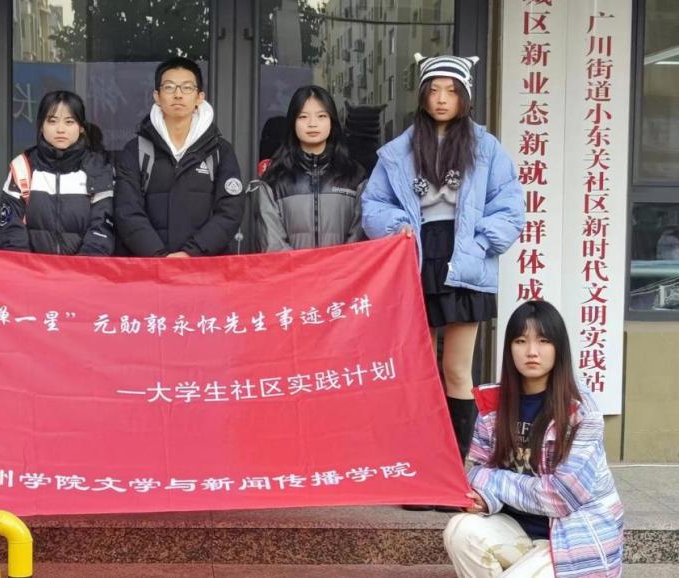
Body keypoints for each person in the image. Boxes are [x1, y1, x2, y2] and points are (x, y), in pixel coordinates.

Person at [361, 53, 524, 463]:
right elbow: (373, 205)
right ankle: (416, 461)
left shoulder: (486, 148)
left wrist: (481, 244)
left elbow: (509, 208)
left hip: (464, 256)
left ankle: (454, 465)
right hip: (417, 255)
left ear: (465, 97)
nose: (441, 98)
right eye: (433, 90)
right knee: (415, 368)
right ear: (421, 95)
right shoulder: (398, 150)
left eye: (451, 91)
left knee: (456, 369)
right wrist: (397, 225)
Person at [444, 300, 624, 577]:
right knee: (460, 531)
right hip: (516, 529)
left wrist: (493, 481)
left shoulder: (581, 412)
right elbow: (479, 472)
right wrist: (484, 499)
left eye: (543, 341)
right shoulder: (494, 406)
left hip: (574, 536)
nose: (531, 352)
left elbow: (560, 497)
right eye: (520, 341)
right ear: (509, 348)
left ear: (558, 348)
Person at [114, 56, 244, 257]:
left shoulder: (220, 150)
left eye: (187, 88)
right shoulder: (136, 150)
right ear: (157, 96)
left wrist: (191, 253)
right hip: (149, 267)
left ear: (199, 97)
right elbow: (127, 211)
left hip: (205, 267)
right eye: (169, 87)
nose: (178, 94)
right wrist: (159, 256)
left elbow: (230, 212)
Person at [251, 85, 367, 251]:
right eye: (303, 117)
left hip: (345, 268)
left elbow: (361, 239)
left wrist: (339, 266)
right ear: (293, 123)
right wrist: (304, 268)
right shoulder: (274, 179)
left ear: (332, 121)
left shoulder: (354, 176)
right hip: (290, 269)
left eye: (321, 116)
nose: (312, 124)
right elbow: (272, 244)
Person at [0, 90, 114, 255]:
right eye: (52, 121)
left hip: (84, 269)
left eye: (69, 122)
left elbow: (102, 228)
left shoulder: (98, 168)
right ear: (41, 126)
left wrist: (81, 266)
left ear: (81, 127)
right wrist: (27, 267)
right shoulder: (22, 167)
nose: (60, 129)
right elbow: (11, 229)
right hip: (31, 269)